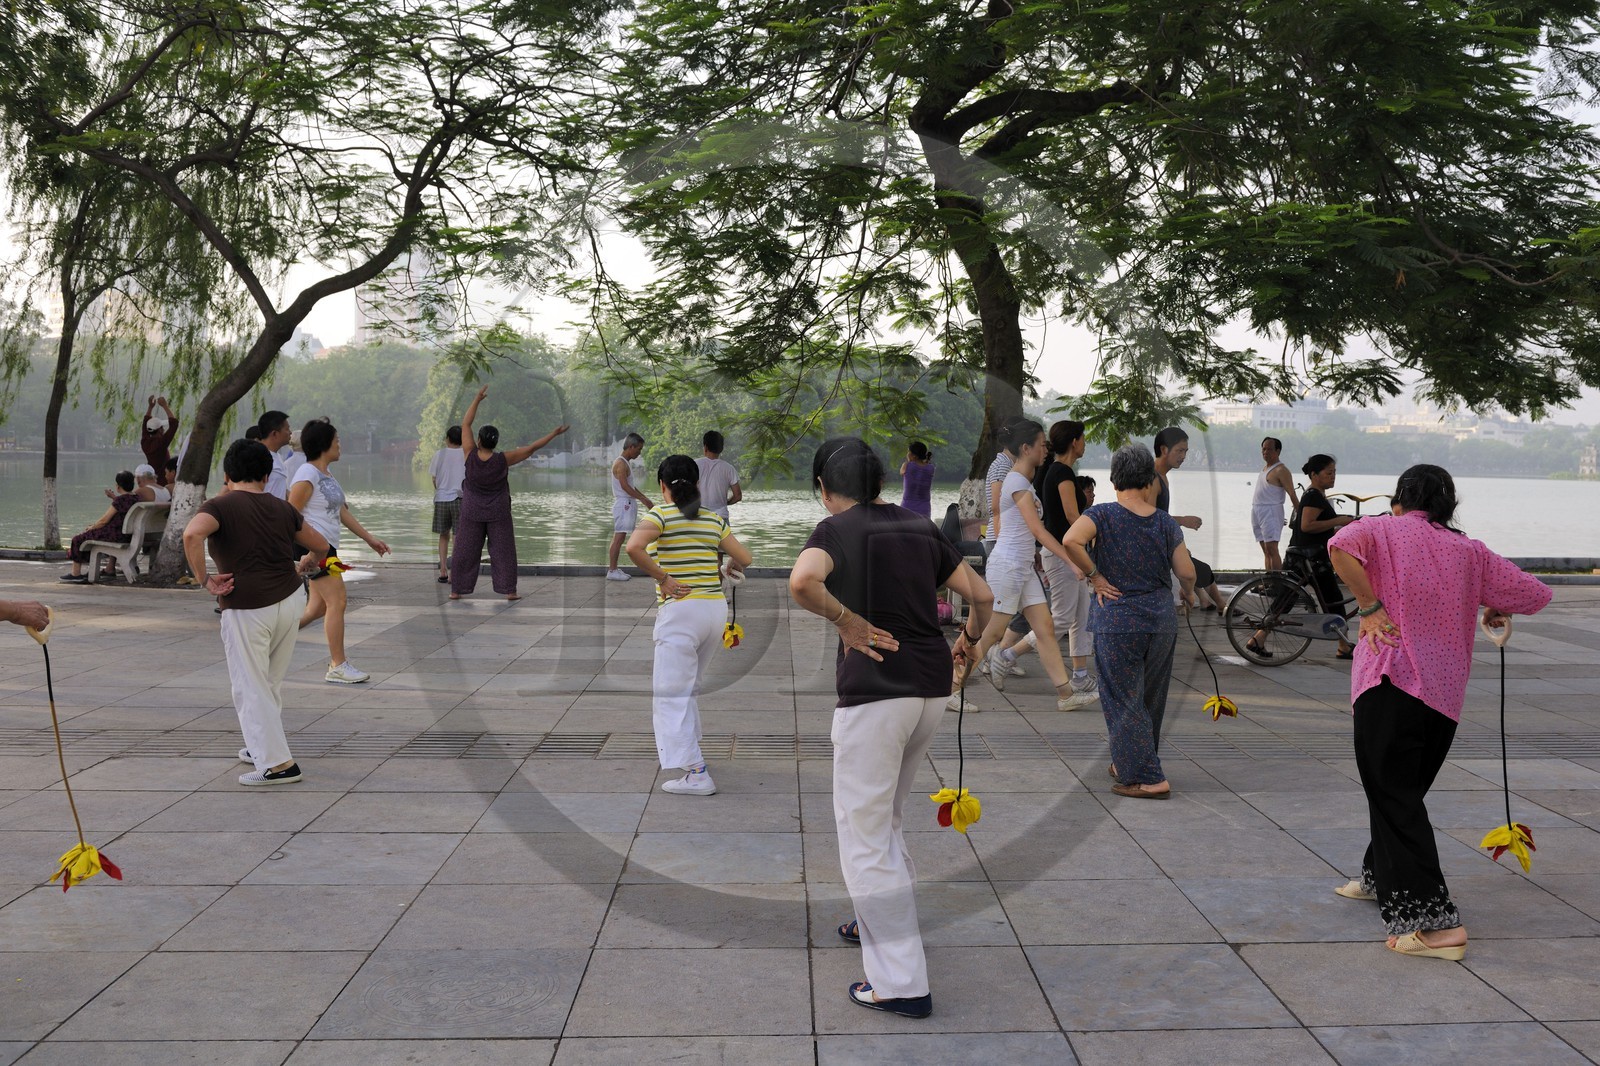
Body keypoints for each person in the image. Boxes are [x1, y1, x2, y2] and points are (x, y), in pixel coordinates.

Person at [789, 437, 993, 1020]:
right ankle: (872, 921)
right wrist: (970, 643)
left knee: (864, 833)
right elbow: (982, 594)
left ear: (825, 490)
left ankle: (900, 984)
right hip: (929, 690)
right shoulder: (919, 526)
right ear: (881, 482)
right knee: (887, 818)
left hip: (876, 695)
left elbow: (803, 583)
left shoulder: (835, 531)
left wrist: (848, 620)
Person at [1329, 464, 1550, 960]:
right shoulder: (1469, 551)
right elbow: (1536, 593)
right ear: (1448, 507)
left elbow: (1339, 545)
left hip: (1390, 682)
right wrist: (1494, 603)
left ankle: (1436, 925)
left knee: (1394, 794)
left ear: (1399, 500)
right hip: (1442, 699)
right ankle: (1377, 874)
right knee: (1399, 791)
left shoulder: (1383, 528)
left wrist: (1368, 606)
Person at [183, 439, 330, 786]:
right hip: (291, 599)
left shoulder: (220, 506)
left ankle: (280, 765)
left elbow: (192, 534)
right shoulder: (282, 508)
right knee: (269, 681)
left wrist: (204, 578)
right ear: (266, 475)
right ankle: (259, 746)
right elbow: (321, 545)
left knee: (250, 684)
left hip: (248, 604)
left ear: (228, 474)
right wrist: (307, 562)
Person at [1061, 443, 1196, 799]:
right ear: (1150, 479)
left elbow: (1070, 540)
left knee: (1122, 698)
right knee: (1150, 698)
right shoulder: (1165, 522)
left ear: (1113, 479)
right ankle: (1128, 762)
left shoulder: (1101, 515)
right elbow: (1186, 571)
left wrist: (1095, 576)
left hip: (1117, 620)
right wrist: (1189, 592)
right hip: (1160, 621)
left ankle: (1148, 776)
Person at [626, 455, 753, 795]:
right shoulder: (713, 519)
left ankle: (697, 773)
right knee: (688, 686)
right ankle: (690, 751)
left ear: (662, 487)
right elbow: (746, 557)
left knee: (672, 692)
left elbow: (633, 547)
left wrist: (664, 577)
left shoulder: (659, 515)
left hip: (681, 611)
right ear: (697, 485)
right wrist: (726, 566)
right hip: (714, 612)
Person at [955, 419, 1096, 713]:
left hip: (1022, 568)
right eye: (1041, 444)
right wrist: (1072, 560)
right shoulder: (1017, 482)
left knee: (1044, 628)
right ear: (1025, 448)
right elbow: (1038, 531)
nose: (1046, 449)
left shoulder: (1024, 481)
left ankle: (1066, 693)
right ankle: (950, 688)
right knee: (991, 634)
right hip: (1007, 567)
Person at [289, 419, 391, 683]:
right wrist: (310, 551)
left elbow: (341, 512)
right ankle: (338, 665)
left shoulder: (325, 474)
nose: (339, 445)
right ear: (324, 444)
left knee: (317, 609)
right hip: (316, 549)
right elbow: (290, 515)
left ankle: (271, 638)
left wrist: (369, 539)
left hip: (327, 547)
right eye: (336, 440)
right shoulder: (306, 474)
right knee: (338, 601)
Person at [450, 387, 568, 601]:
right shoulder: (504, 459)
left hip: (472, 510)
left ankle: (456, 590)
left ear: (479, 441)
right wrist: (554, 433)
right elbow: (531, 448)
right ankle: (510, 591)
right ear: (495, 442)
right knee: (503, 551)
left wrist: (477, 399)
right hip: (498, 511)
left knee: (464, 549)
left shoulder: (470, 455)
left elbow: (465, 424)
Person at [1253, 453, 1355, 659]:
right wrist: (1340, 520)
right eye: (1328, 473)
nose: (1333, 476)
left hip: (1301, 555)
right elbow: (1307, 526)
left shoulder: (1315, 495)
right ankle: (1343, 646)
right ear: (1314, 474)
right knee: (1332, 599)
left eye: (1334, 472)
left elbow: (1317, 528)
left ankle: (1258, 638)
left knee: (1287, 598)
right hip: (1312, 559)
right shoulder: (1314, 496)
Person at [1152, 427, 1226, 612]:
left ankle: (1215, 604)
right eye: (1179, 450)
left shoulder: (1162, 478)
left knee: (1195, 573)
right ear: (1163, 450)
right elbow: (1148, 517)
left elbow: (1158, 516)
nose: (1183, 456)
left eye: (1185, 451)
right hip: (1154, 552)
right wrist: (1182, 520)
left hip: (1165, 546)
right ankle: (1219, 605)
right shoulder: (1151, 478)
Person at [61, 470, 138, 582]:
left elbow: (104, 520)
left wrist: (92, 527)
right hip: (126, 535)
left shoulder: (120, 500)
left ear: (118, 486)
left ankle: (75, 573)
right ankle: (108, 569)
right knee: (88, 534)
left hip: (115, 535)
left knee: (77, 539)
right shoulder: (136, 498)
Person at [607, 432, 652, 581]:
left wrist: (644, 499)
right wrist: (642, 499)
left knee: (621, 536)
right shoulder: (620, 463)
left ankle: (614, 568)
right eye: (638, 449)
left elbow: (631, 486)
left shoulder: (625, 463)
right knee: (619, 537)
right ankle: (612, 570)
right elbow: (625, 487)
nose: (639, 452)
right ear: (631, 447)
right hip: (623, 504)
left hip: (628, 503)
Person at [1253, 437, 1299, 570]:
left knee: (1272, 549)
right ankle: (1269, 582)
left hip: (1271, 512)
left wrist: (1301, 516)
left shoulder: (1282, 470)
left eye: (1269, 449)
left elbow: (1292, 494)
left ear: (1278, 451)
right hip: (1257, 511)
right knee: (1265, 551)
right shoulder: (1265, 468)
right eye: (1263, 449)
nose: (1265, 452)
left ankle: (1277, 585)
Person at [429, 425, 467, 584]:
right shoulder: (466, 454)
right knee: (457, 537)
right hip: (460, 498)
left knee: (443, 536)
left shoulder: (439, 454)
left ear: (447, 439)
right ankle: (454, 574)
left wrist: (441, 490)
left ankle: (443, 570)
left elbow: (434, 479)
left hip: (441, 499)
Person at [695, 430, 742, 523]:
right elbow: (738, 496)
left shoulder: (693, 465)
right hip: (720, 518)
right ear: (721, 448)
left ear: (705, 447)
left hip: (698, 518)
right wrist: (725, 503)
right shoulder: (729, 468)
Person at [257, 410, 298, 500]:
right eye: (287, 429)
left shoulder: (277, 456)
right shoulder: (257, 457)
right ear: (274, 433)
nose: (290, 433)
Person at [139, 395, 178, 473]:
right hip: (164, 478)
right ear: (160, 430)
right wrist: (165, 406)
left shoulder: (145, 443)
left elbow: (145, 425)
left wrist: (150, 407)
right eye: (162, 427)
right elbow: (174, 424)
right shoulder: (161, 443)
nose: (163, 429)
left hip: (152, 477)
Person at [898, 441, 935, 518]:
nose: (907, 454)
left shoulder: (906, 465)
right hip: (925, 509)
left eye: (909, 452)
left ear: (914, 456)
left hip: (907, 508)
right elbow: (923, 468)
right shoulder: (931, 468)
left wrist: (909, 461)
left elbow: (901, 472)